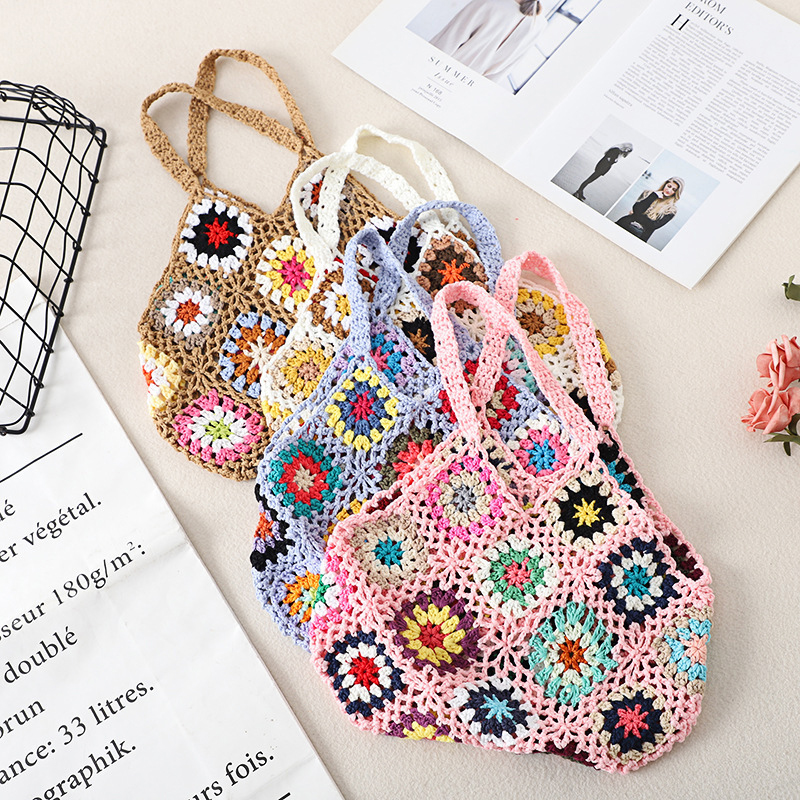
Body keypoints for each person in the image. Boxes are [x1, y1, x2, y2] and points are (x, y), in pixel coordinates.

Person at [429, 0, 546, 86]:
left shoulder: (491, 3)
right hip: (471, 89)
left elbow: (446, 42)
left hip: (439, 75)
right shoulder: (539, 25)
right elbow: (503, 71)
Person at [615, 177, 684, 242]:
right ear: (665, 184)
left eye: (674, 190)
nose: (669, 190)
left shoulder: (671, 210)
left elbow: (654, 226)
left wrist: (636, 215)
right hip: (624, 224)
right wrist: (653, 196)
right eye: (669, 186)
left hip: (640, 235)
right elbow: (636, 209)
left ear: (676, 193)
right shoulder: (648, 193)